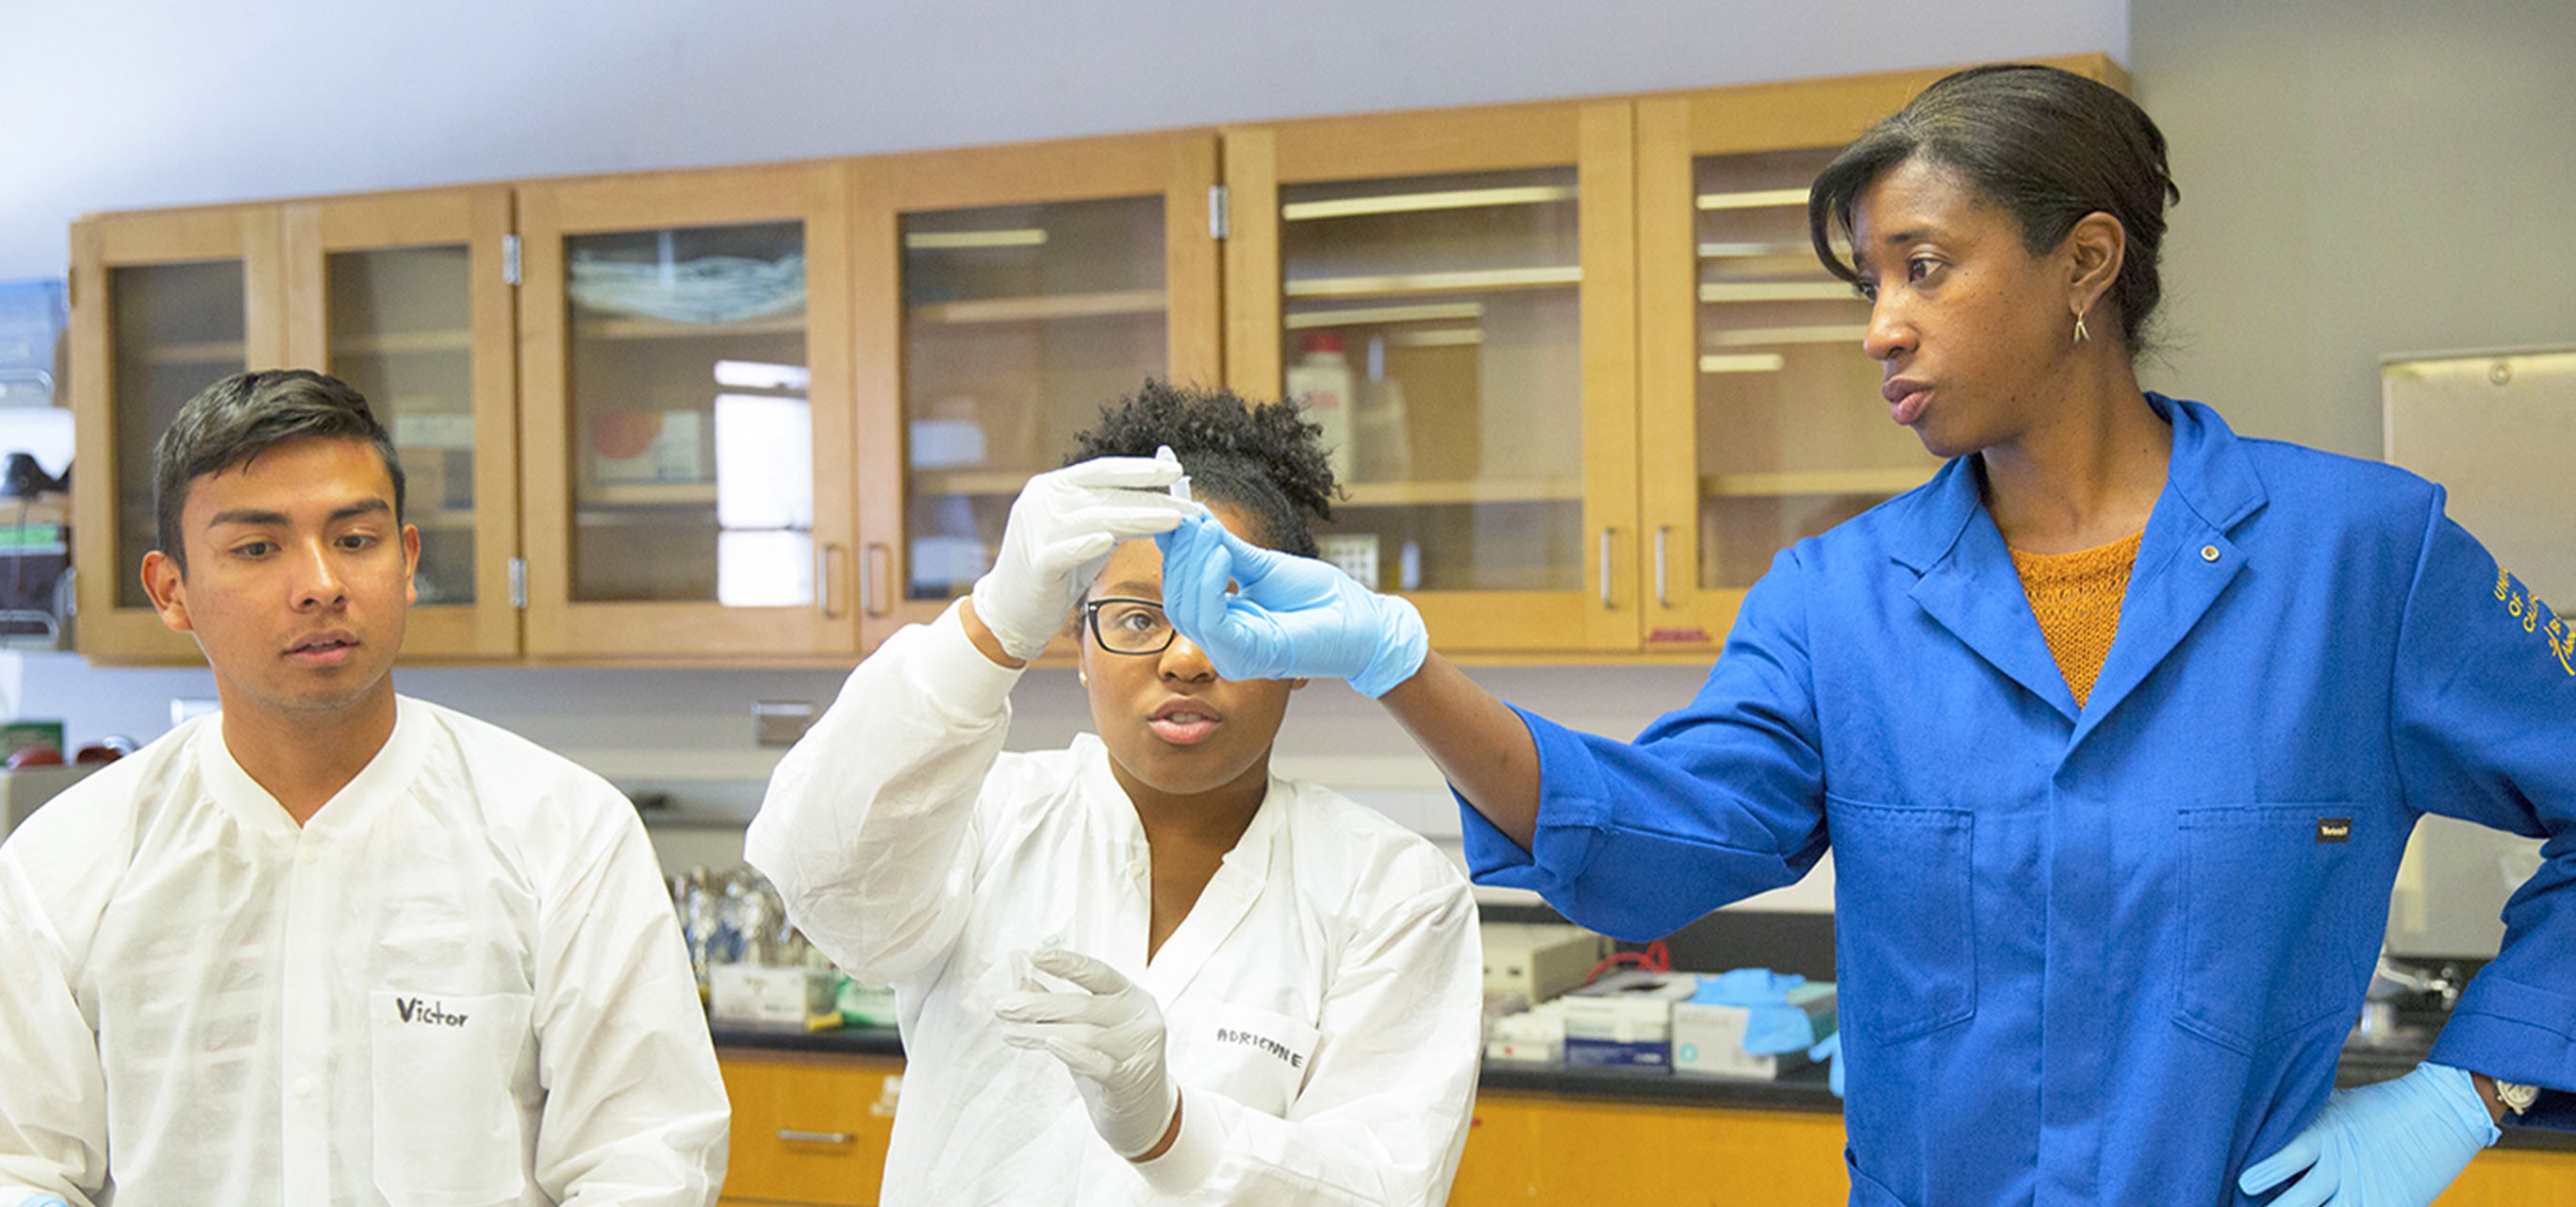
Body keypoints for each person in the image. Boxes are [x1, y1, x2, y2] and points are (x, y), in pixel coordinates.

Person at [1153, 64, 2574, 1207]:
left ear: (2086, 263)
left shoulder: (2357, 561)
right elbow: (1649, 846)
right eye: (1868, 286)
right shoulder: (1837, 604)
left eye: (1926, 268)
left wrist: (2470, 1090)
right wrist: (1401, 666)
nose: (1882, 327)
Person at [0, 371, 729, 1206]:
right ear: (172, 591)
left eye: (354, 540)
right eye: (257, 548)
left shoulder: (561, 829)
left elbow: (645, 1154)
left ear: (407, 561)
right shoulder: (65, 862)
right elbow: (20, 1161)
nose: (320, 583)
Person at [746, 381, 1482, 1205]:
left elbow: (1382, 1189)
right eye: (1136, 619)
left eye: (1227, 615)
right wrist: (992, 624)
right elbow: (825, 886)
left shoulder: (1392, 895)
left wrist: (1170, 1130)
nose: (1185, 659)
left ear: (1300, 647)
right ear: (1078, 640)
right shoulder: (983, 816)